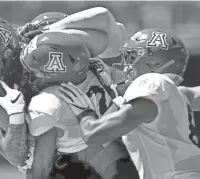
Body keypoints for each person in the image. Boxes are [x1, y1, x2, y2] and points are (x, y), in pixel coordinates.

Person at [0, 11, 108, 177]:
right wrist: (13, 120)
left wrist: (56, 29)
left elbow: (107, 39)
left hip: (103, 118)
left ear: (8, 54)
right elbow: (18, 158)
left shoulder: (41, 44)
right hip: (65, 153)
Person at [58, 28, 200, 179]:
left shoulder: (152, 81)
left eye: (133, 56)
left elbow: (94, 134)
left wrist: (85, 113)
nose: (127, 64)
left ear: (155, 63)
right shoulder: (177, 95)